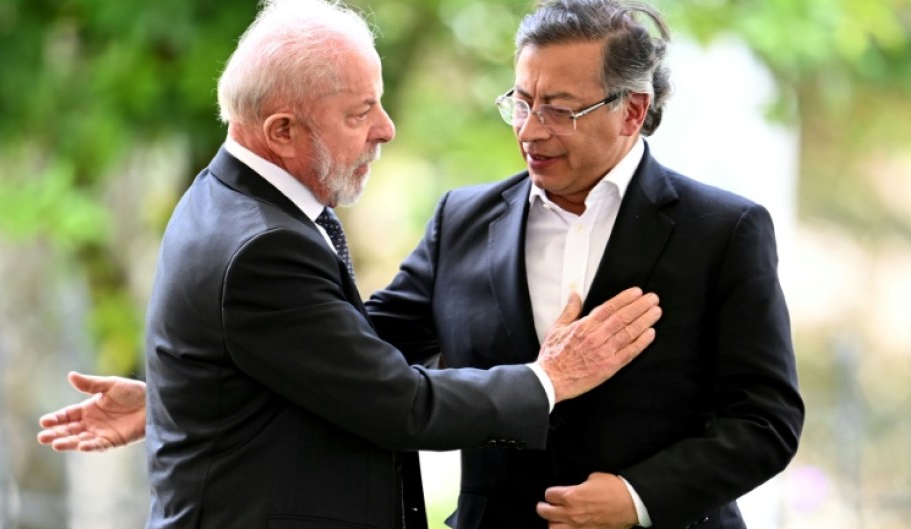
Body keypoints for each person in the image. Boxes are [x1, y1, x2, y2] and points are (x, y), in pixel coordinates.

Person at [39, 0, 803, 528]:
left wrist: (638, 497)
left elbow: (766, 421)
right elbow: (360, 352)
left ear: (630, 111)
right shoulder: (464, 217)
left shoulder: (723, 230)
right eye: (520, 100)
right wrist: (200, 387)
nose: (530, 129)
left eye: (558, 108)